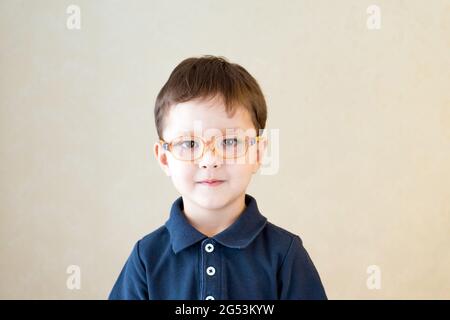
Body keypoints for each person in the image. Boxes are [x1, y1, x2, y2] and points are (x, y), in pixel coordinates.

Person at [109, 55, 327, 300]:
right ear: (164, 158)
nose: (209, 159)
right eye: (189, 143)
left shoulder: (285, 254)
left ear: (257, 153)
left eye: (230, 141)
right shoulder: (146, 258)